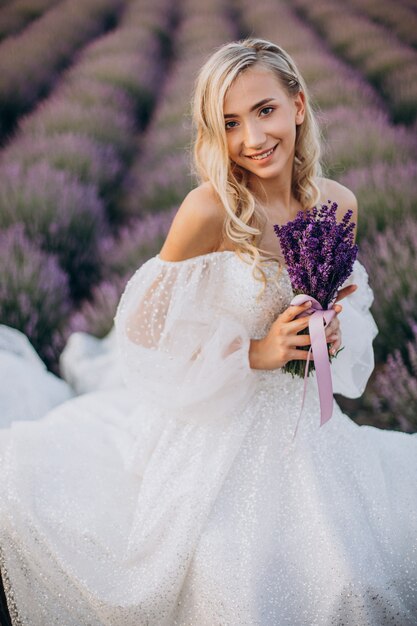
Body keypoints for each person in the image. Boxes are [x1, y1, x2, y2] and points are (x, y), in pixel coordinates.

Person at [0, 36, 416, 626]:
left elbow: (346, 308)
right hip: (222, 427)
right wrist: (254, 351)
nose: (252, 138)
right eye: (230, 123)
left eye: (265, 110)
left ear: (298, 104)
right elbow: (141, 331)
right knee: (228, 575)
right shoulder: (210, 210)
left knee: (350, 572)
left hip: (308, 428)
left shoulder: (338, 204)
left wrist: (330, 334)